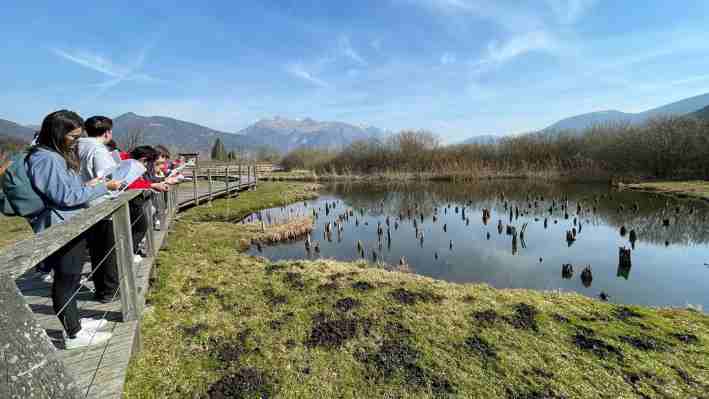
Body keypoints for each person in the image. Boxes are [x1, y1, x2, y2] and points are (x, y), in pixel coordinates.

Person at [27, 110, 121, 349]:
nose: (77, 142)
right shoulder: (46, 159)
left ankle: (75, 321)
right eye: (73, 137)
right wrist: (103, 187)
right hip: (61, 226)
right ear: (58, 134)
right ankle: (73, 334)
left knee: (72, 276)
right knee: (66, 278)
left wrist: (86, 184)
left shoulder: (53, 156)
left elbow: (66, 189)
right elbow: (66, 197)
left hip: (68, 222)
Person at [77, 116, 121, 303]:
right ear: (107, 132)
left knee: (96, 251)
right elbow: (107, 177)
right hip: (101, 203)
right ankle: (109, 290)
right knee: (108, 250)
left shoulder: (77, 146)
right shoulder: (98, 150)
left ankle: (101, 288)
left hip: (83, 203)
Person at [125, 146, 169, 261]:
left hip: (139, 202)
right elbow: (131, 183)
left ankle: (133, 251)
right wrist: (152, 185)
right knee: (139, 227)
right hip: (133, 203)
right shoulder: (129, 166)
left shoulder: (130, 164)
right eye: (146, 162)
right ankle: (131, 253)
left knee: (140, 226)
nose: (146, 166)